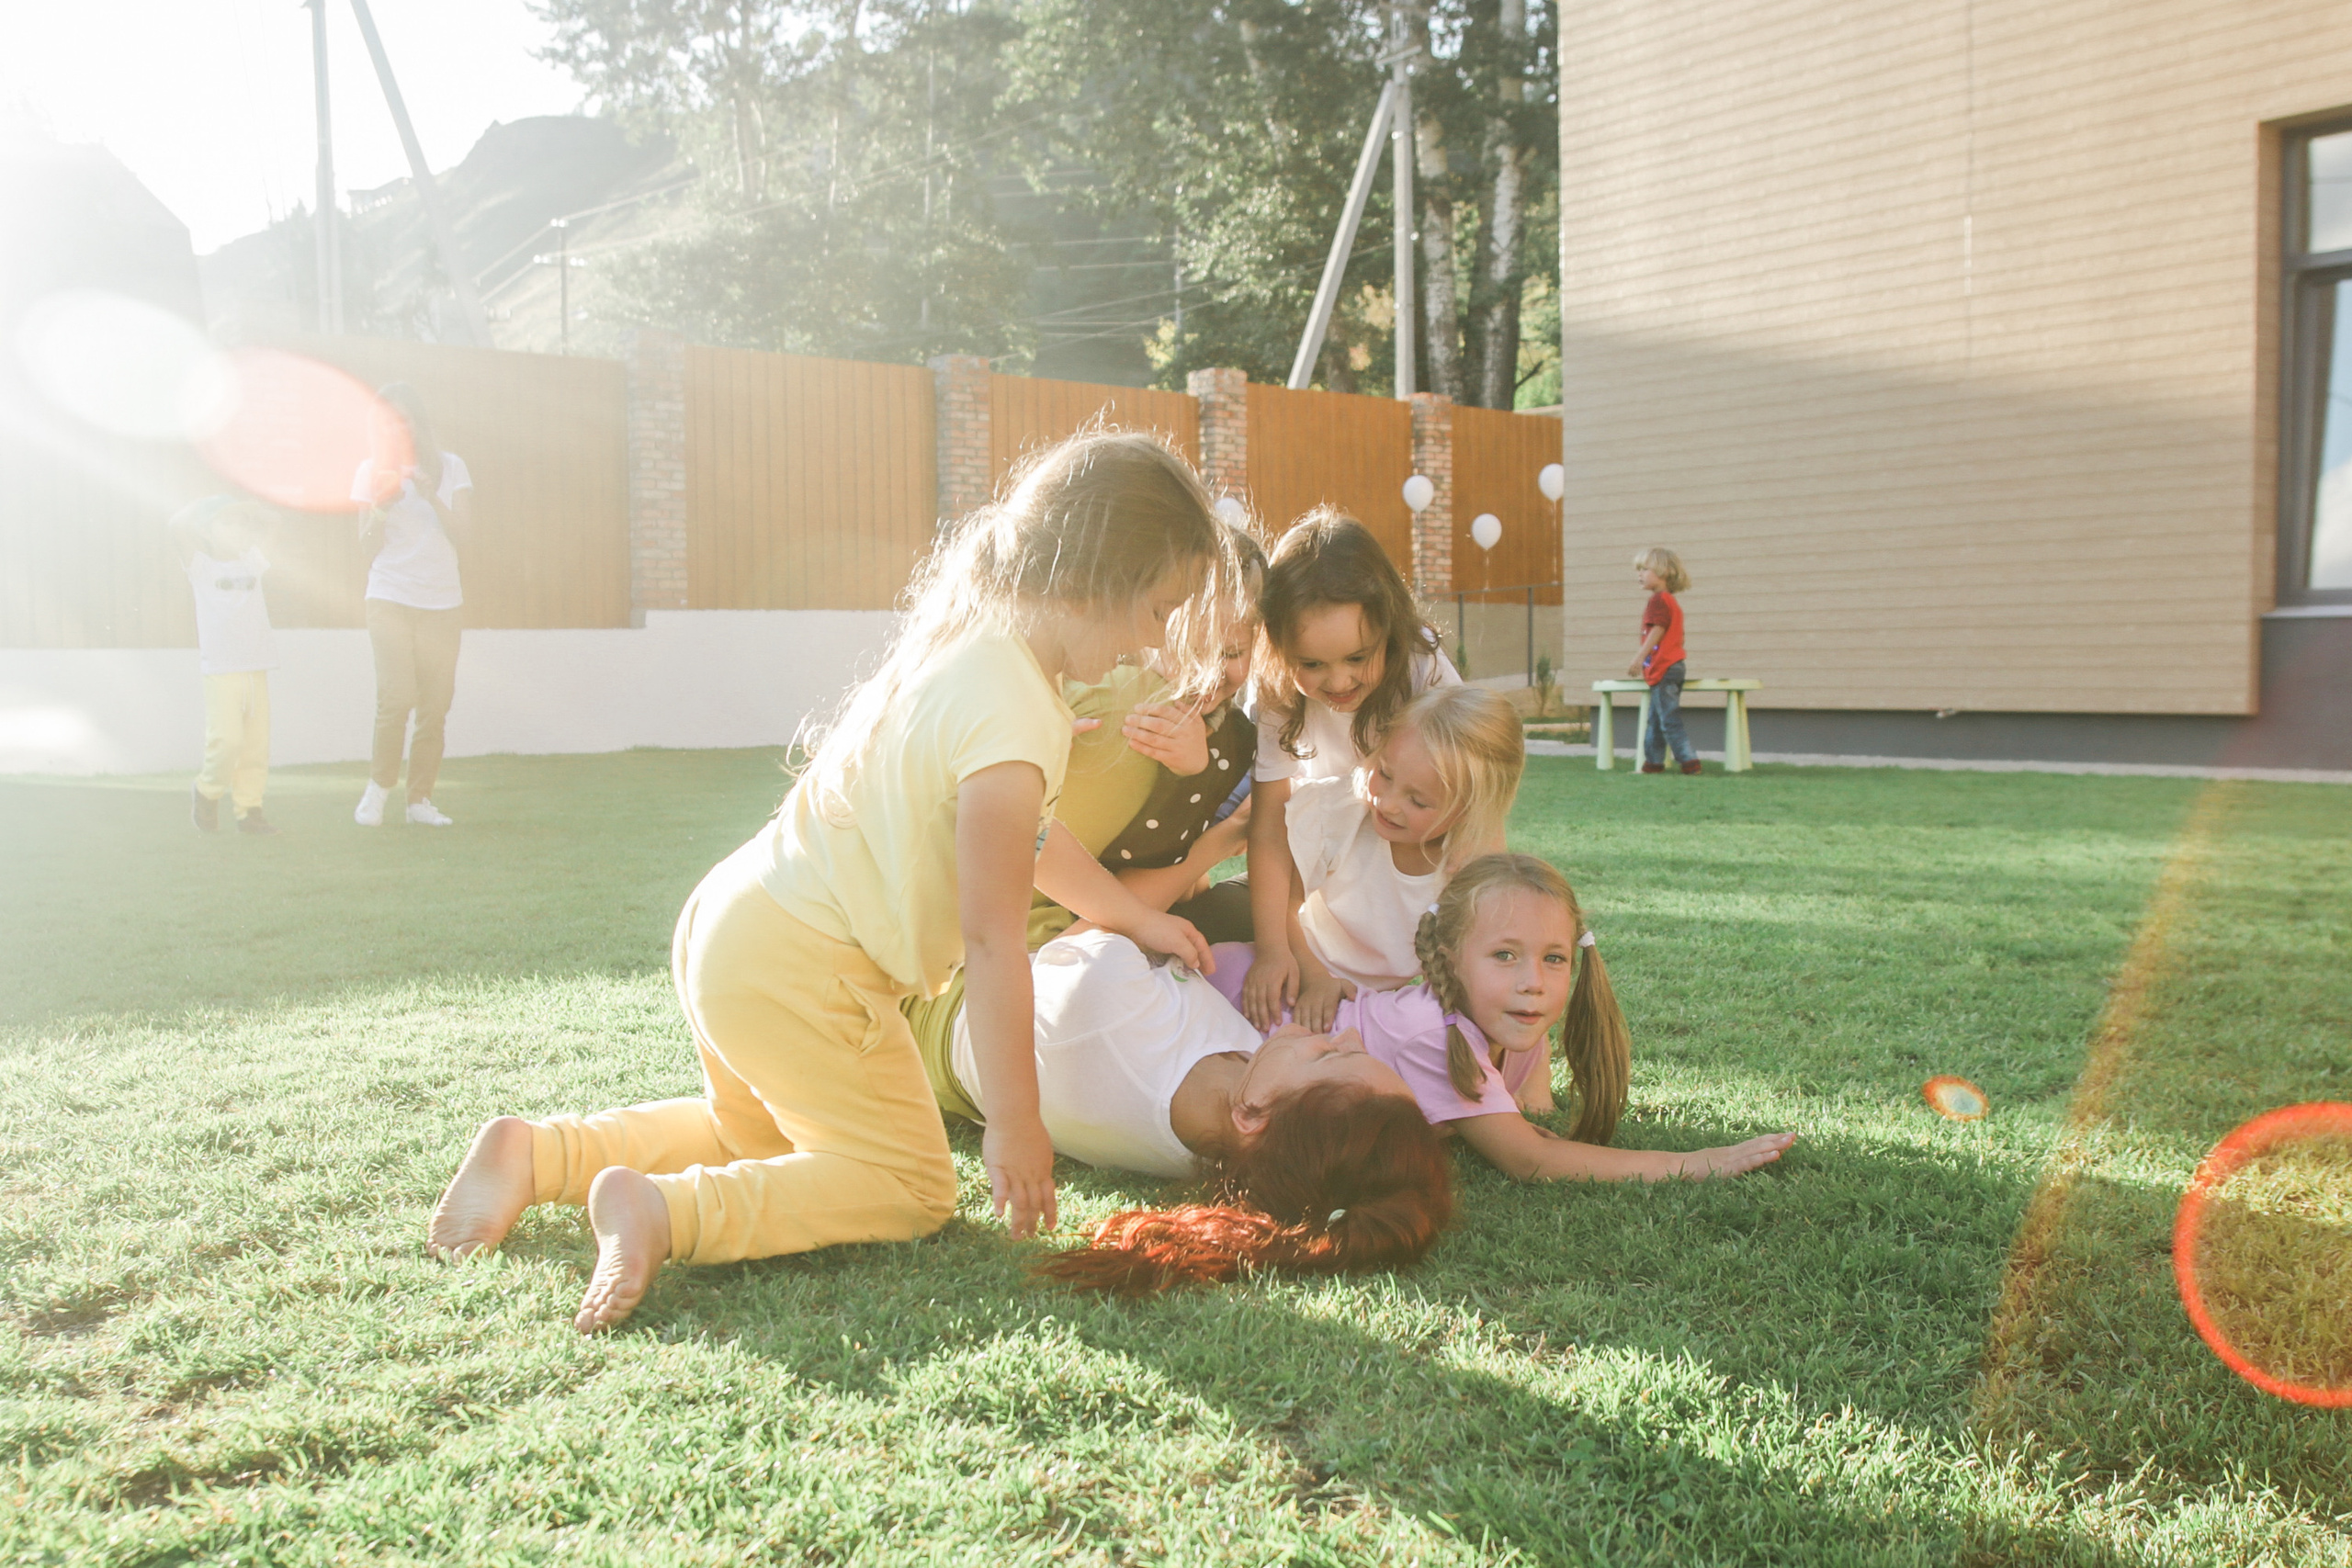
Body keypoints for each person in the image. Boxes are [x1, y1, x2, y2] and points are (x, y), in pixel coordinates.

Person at [423, 431, 1223, 1333]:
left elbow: (1030, 848)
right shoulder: (1019, 716)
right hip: (805, 968)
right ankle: (661, 1211)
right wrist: (1014, 1122)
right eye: (1156, 611)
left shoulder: (970, 641)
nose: (1149, 646)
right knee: (910, 1185)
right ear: (1099, 576)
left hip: (733, 925)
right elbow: (998, 939)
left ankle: (537, 1156)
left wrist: (1129, 917)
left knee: (754, 1139)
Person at [910, 924, 1455, 1296]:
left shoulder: (1111, 1012)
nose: (1349, 1033)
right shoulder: (1237, 1119)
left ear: (1255, 1115)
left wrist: (1224, 838)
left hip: (946, 970)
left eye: (1334, 1055)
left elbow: (1060, 913)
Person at [1208, 853, 1798, 1177]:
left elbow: (1532, 1114)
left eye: (1554, 959)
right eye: (1505, 955)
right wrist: (1694, 1162)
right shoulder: (1431, 1037)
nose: (1533, 983)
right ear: (1450, 959)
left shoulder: (1511, 1017)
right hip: (1233, 994)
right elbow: (1531, 1159)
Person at [1243, 509, 1460, 1030]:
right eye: (1311, 664)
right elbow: (1271, 828)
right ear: (1277, 647)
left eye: (1357, 658)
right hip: (1334, 845)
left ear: (1387, 627)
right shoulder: (1276, 695)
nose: (1337, 681)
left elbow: (1475, 791)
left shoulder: (1419, 666)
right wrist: (1276, 951)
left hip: (1418, 836)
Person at [1032, 518, 1267, 952]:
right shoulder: (1107, 692)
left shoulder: (1234, 738)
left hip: (1133, 914)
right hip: (1062, 920)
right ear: (1152, 629)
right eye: (1192, 650)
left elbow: (1183, 880)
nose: (1210, 673)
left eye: (1232, 653)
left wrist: (1198, 774)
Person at [1278, 684, 1523, 1032]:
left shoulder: (1464, 872)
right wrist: (1315, 977)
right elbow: (1281, 903)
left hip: (1373, 1004)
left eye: (1418, 801)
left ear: (1468, 810)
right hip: (1299, 967)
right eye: (1386, 774)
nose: (1388, 803)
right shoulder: (1341, 812)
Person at [350, 383, 473, 828]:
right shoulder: (370, 471)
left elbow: (463, 533)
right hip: (389, 596)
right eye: (389, 420)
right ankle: (378, 791)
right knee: (397, 696)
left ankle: (419, 800)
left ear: (418, 422)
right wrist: (382, 508)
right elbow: (365, 547)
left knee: (436, 705)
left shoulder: (452, 467)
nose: (399, 427)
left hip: (442, 602)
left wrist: (430, 497)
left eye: (406, 418)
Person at [170, 496, 278, 837]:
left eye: (241, 523)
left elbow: (275, 522)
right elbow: (176, 526)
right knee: (227, 741)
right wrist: (206, 503)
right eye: (226, 523)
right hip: (221, 669)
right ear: (207, 531)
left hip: (255, 667)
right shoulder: (201, 567)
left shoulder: (253, 562)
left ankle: (250, 812)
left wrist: (250, 510)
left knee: (255, 747)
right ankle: (206, 791)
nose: (237, 530)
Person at [1628, 547, 1698, 775]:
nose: (1639, 574)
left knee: (1668, 719)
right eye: (1638, 570)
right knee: (1657, 720)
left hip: (1665, 667)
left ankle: (1689, 762)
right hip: (1674, 666)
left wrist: (1640, 658)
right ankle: (1653, 764)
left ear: (1664, 572)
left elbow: (1658, 630)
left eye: (1645, 569)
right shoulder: (1669, 602)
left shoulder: (1659, 601)